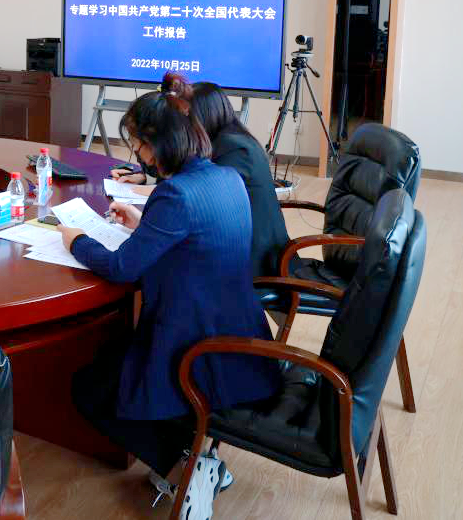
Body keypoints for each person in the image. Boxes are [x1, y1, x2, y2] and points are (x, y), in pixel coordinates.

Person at [56, 75, 280, 520]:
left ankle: (187, 470)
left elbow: (122, 268)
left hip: (195, 347)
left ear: (157, 144)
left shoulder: (174, 194)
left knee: (88, 389)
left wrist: (75, 239)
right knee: (109, 364)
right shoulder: (226, 178)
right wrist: (144, 224)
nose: (138, 155)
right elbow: (198, 240)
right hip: (240, 335)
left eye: (138, 146)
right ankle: (194, 457)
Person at [188, 77, 294, 278]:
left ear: (202, 116)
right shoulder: (228, 138)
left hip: (258, 260)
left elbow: (203, 197)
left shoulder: (235, 149)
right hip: (242, 243)